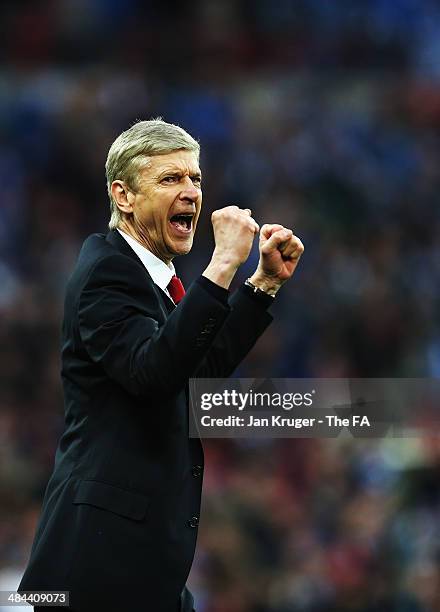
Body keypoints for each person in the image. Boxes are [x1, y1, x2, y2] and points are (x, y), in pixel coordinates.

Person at [19, 118, 304, 612]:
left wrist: (261, 286)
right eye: (171, 179)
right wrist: (220, 268)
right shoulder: (107, 269)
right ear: (123, 196)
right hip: (94, 565)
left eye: (195, 178)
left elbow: (195, 376)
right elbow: (153, 374)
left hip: (146, 564)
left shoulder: (158, 283)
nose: (191, 191)